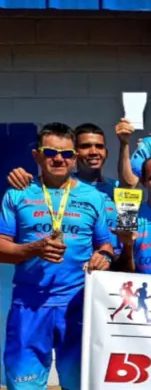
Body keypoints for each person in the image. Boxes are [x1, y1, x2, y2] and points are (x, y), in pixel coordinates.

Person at [0, 123, 114, 390]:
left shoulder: (94, 197)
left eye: (66, 154)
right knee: (23, 385)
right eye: (50, 152)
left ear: (75, 158)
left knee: (79, 384)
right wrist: (32, 249)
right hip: (29, 306)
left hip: (78, 306)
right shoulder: (18, 193)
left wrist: (103, 258)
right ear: (37, 156)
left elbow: (105, 245)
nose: (59, 159)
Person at [6, 123, 118, 226]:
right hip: (84, 248)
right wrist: (18, 175)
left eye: (99, 146)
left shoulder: (118, 187)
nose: (94, 152)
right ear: (75, 154)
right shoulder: (60, 184)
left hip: (115, 248)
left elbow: (128, 229)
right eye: (85, 146)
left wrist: (124, 143)